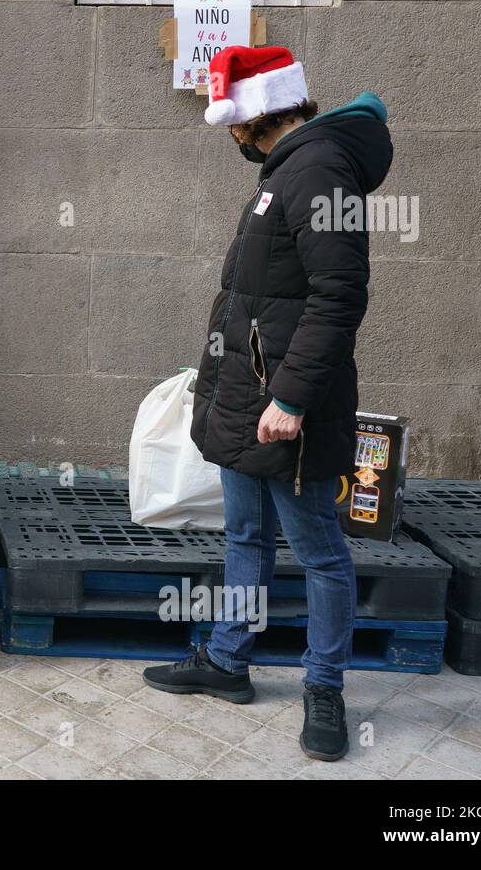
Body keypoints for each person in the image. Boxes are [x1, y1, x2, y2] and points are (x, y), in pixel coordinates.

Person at [142, 46, 393, 762]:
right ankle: (227, 660)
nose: (228, 136)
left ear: (253, 115)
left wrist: (290, 396)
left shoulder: (317, 168)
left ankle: (325, 687)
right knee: (245, 537)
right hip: (247, 398)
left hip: (288, 409)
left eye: (231, 122)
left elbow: (339, 296)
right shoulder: (286, 170)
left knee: (319, 553)